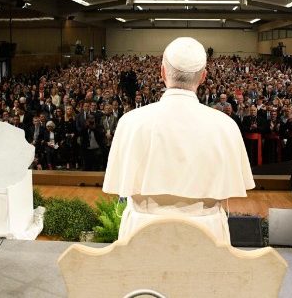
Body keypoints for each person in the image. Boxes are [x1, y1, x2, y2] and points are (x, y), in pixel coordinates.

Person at [103, 37, 254, 243]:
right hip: (206, 233)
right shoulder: (225, 125)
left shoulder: (130, 121)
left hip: (142, 233)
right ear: (203, 77)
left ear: (162, 72)